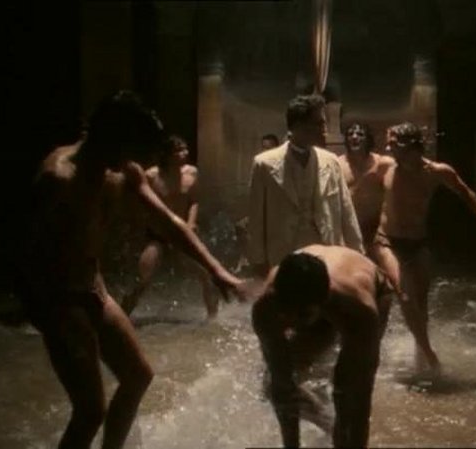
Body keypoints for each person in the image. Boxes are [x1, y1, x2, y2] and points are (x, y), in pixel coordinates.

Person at [19, 91, 244, 449]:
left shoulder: (124, 170)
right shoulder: (58, 178)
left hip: (93, 288)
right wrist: (42, 313)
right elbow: (27, 255)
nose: (132, 159)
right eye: (129, 148)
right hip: (59, 299)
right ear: (108, 135)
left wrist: (217, 270)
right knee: (90, 410)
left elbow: (169, 222)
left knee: (138, 376)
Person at [372, 122, 476, 372]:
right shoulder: (385, 166)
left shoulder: (437, 172)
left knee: (421, 305)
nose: (387, 148)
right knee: (404, 295)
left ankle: (419, 358)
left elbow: (466, 193)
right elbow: (359, 188)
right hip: (387, 241)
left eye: (392, 143)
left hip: (418, 242)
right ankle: (431, 357)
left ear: (410, 146)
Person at [252, 245, 392, 448]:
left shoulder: (358, 309)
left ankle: (339, 431)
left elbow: (361, 395)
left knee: (348, 392)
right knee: (272, 384)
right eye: (287, 313)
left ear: (324, 302)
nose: (293, 321)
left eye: (301, 315)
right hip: (315, 296)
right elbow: (282, 382)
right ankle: (328, 422)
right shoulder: (266, 307)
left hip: (374, 290)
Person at [248, 94, 363, 277]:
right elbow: (256, 219)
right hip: (284, 258)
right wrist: (259, 262)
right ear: (298, 125)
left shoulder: (331, 161)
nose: (324, 129)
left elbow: (347, 212)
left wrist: (357, 256)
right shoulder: (264, 164)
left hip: (327, 255)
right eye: (319, 123)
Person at [121, 135, 220, 318]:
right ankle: (122, 317)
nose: (185, 153)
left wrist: (191, 222)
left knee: (205, 275)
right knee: (142, 279)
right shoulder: (151, 175)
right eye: (179, 150)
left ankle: (213, 317)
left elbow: (194, 201)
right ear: (167, 155)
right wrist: (143, 224)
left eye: (185, 149)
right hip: (158, 234)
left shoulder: (191, 173)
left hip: (182, 233)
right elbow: (137, 202)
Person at [337, 122, 395, 257]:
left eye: (360, 134)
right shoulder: (338, 164)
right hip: (348, 229)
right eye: (350, 134)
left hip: (375, 230)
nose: (354, 137)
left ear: (368, 139)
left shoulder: (382, 163)